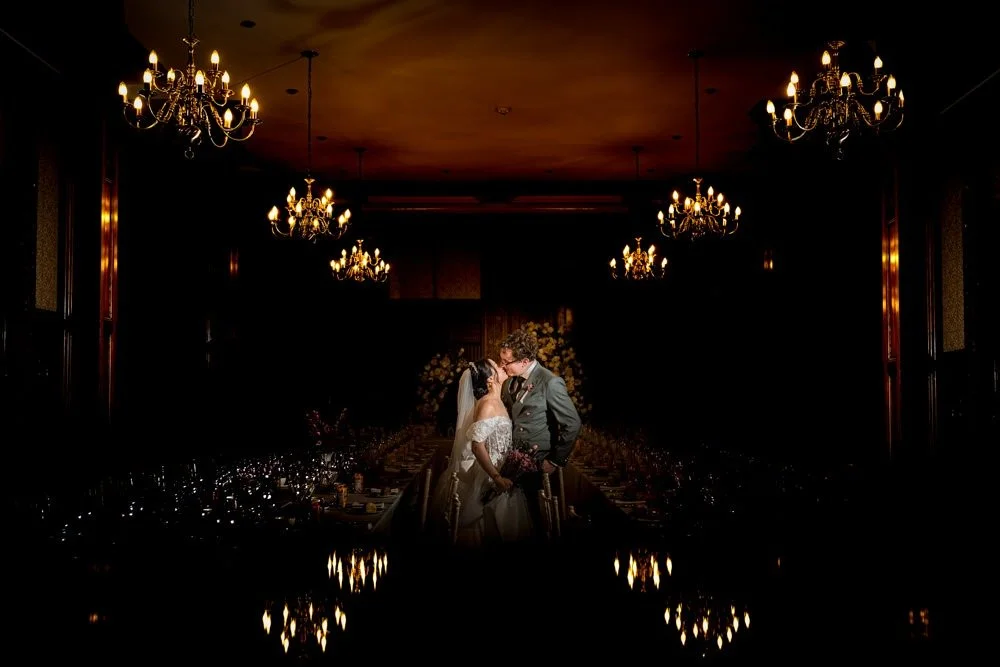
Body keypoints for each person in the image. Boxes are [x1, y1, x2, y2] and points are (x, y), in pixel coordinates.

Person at [429, 358, 534, 546]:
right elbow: (477, 446)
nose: (503, 366)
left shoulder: (498, 400)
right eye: (497, 367)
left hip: (503, 472)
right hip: (490, 476)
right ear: (490, 380)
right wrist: (497, 477)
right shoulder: (487, 404)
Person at [498, 328, 581, 532]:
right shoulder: (510, 380)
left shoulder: (550, 382)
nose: (502, 365)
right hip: (514, 459)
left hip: (538, 461)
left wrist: (555, 460)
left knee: (539, 521)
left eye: (506, 362)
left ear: (525, 361)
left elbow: (573, 423)